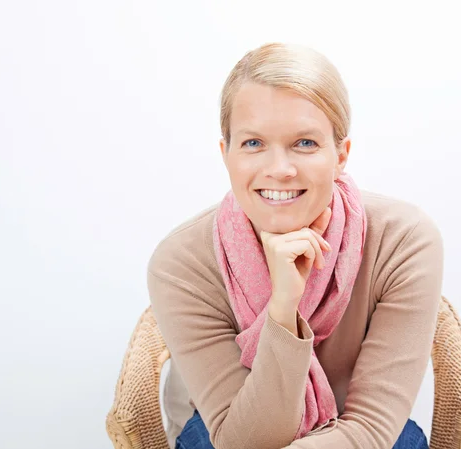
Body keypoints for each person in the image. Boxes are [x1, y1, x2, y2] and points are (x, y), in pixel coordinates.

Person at [147, 42, 444, 449]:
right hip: (232, 427)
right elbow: (244, 441)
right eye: (253, 143)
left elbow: (372, 429)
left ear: (341, 155)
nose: (280, 170)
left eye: (305, 143)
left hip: (356, 430)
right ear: (226, 154)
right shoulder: (181, 263)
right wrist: (283, 309)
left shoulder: (403, 240)